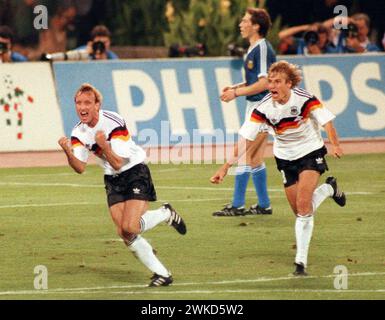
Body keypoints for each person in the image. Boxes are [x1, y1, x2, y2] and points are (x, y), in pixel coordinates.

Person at [210, 61, 346, 276]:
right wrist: (225, 166)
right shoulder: (263, 107)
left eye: (277, 81)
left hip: (311, 152)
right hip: (285, 158)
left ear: (289, 84)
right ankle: (330, 189)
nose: (272, 85)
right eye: (270, 81)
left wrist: (335, 144)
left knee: (303, 208)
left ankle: (300, 263)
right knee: (301, 211)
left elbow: (327, 122)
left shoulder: (305, 99)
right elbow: (245, 138)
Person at [58, 83, 187, 287]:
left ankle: (165, 213)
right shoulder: (78, 132)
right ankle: (162, 274)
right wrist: (67, 151)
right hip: (112, 179)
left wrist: (104, 145)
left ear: (97, 105)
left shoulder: (113, 122)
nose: (82, 107)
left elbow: (118, 162)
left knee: (130, 226)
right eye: (79, 103)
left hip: (134, 172)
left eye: (88, 103)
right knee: (125, 233)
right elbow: (80, 168)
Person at [213, 8, 276, 217]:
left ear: (256, 26)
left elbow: (265, 83)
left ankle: (237, 205)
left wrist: (237, 93)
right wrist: (235, 87)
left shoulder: (263, 49)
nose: (240, 24)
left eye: (244, 21)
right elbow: (255, 81)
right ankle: (264, 205)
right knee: (255, 157)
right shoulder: (253, 49)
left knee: (244, 154)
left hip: (263, 107)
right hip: (256, 106)